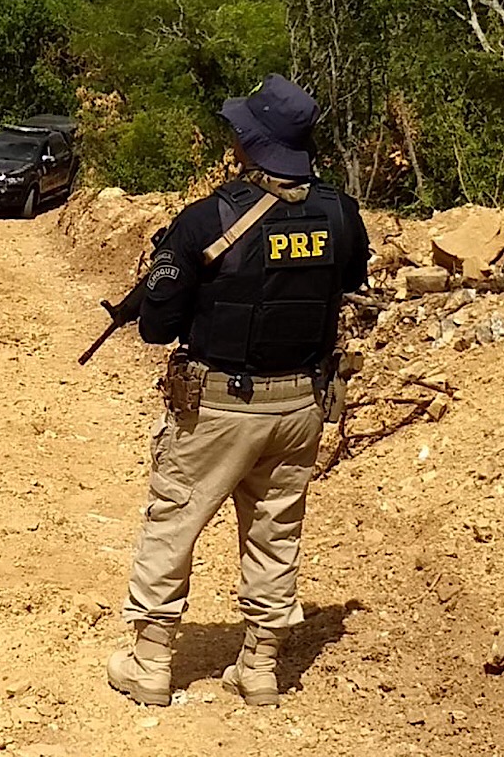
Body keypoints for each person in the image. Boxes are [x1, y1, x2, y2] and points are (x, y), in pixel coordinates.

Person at [107, 74, 370, 707]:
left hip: (220, 407)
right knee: (276, 530)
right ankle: (259, 667)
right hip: (303, 405)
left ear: (253, 143)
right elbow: (349, 280)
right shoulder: (339, 212)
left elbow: (157, 326)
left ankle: (150, 662)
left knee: (175, 522)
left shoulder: (206, 219)